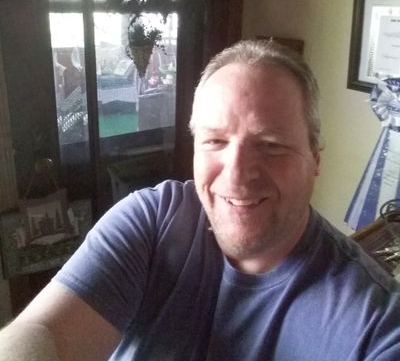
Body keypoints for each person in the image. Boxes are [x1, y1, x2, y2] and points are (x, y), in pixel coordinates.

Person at [1, 39, 400, 360]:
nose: (236, 173)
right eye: (215, 141)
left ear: (315, 158)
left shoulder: (376, 328)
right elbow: (42, 332)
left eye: (271, 144)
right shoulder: (152, 222)